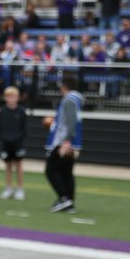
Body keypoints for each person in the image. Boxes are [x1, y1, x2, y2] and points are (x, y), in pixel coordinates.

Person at [44, 72, 83, 213]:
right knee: (67, 173)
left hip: (64, 142)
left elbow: (70, 122)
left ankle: (64, 198)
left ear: (64, 86)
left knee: (50, 170)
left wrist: (66, 141)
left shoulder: (69, 100)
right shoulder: (76, 100)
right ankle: (69, 203)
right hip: (72, 141)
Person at [0, 86, 27, 199]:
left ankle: (20, 189)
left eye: (13, 96)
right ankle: (8, 188)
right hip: (6, 143)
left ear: (17, 98)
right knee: (8, 166)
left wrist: (17, 139)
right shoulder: (2, 111)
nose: (11, 99)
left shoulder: (21, 111)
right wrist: (4, 138)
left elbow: (24, 129)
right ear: (5, 98)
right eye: (9, 96)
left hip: (18, 143)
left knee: (19, 166)